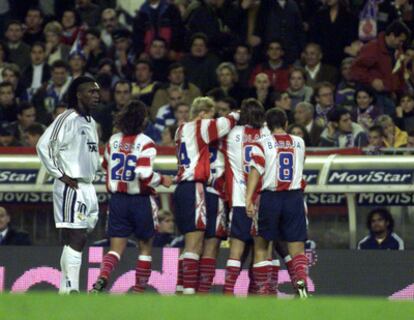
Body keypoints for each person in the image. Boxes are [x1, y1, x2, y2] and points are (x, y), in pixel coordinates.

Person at [90, 100, 173, 293]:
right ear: (143, 120)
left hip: (118, 200)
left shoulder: (113, 140)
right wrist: (162, 179)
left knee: (115, 249)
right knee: (145, 248)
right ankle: (138, 291)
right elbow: (144, 173)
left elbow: (105, 166)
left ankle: (102, 277)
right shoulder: (146, 143)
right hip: (140, 201)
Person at [36, 76, 101, 294]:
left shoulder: (90, 122)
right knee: (77, 235)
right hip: (71, 185)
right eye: (91, 92)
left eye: (97, 92)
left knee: (80, 234)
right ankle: (72, 288)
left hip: (88, 185)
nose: (96, 95)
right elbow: (44, 145)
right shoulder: (67, 118)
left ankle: (65, 289)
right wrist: (60, 174)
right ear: (78, 95)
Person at [174, 96, 239, 295]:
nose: (213, 119)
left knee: (198, 242)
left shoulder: (180, 131)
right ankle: (194, 293)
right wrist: (238, 112)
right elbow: (227, 122)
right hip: (206, 189)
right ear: (203, 115)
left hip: (198, 189)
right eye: (211, 115)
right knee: (206, 244)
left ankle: (184, 289)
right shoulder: (204, 128)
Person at [246, 108, 308, 297]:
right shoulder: (299, 142)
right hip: (294, 197)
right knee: (297, 250)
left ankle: (264, 290)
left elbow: (255, 171)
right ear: (286, 123)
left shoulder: (261, 144)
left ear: (267, 125)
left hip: (270, 197)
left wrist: (248, 198)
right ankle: (302, 289)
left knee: (262, 246)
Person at [220, 98, 267, 295]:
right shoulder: (268, 134)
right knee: (262, 251)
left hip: (240, 200)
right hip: (263, 201)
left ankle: (228, 291)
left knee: (236, 251)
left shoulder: (231, 135)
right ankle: (259, 293)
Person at [350, 20, 411, 114]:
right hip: (373, 97)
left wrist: (401, 94)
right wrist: (372, 80)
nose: (401, 44)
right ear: (391, 35)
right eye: (400, 40)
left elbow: (400, 75)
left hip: (390, 96)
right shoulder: (372, 48)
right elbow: (354, 70)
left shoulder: (398, 52)